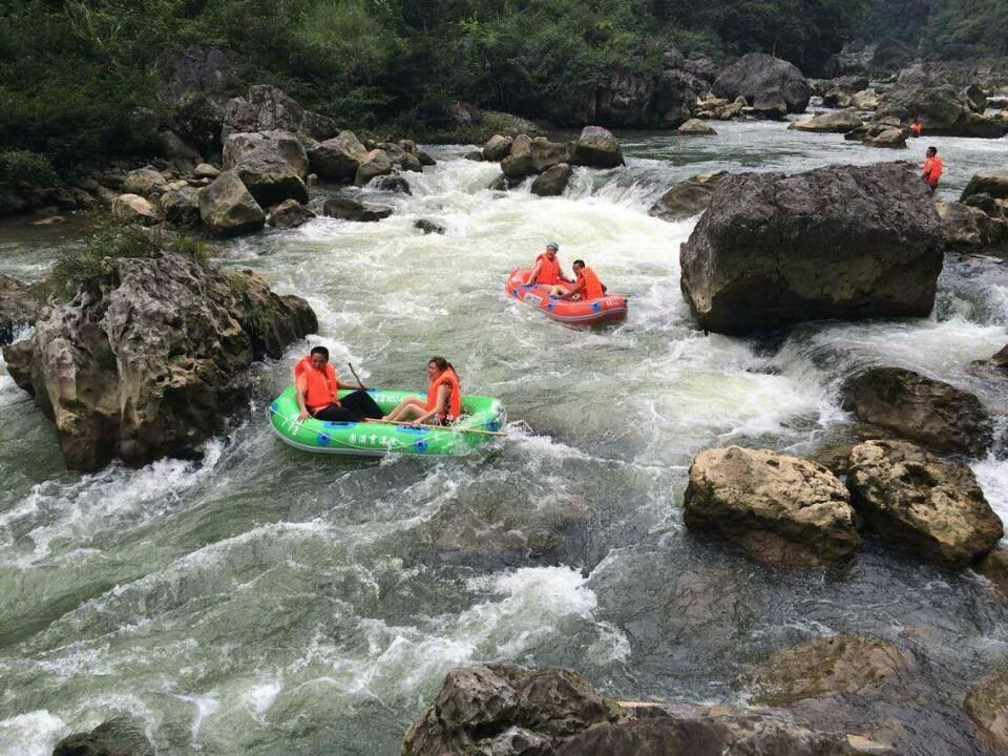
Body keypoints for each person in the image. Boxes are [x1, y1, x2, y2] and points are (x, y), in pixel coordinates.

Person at [295, 346, 384, 423]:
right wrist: (303, 410)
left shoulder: (327, 370)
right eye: (314, 361)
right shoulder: (305, 375)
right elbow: (300, 393)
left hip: (335, 404)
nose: (317, 364)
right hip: (320, 411)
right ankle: (364, 426)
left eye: (321, 362)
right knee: (343, 412)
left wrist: (357, 387)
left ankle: (383, 419)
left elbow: (337, 385)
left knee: (361, 395)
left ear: (326, 361)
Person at [382, 357, 462, 426]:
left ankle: (390, 425)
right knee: (410, 399)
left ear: (441, 370)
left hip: (442, 421)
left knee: (410, 407)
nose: (429, 370)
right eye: (429, 367)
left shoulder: (443, 385)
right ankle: (387, 419)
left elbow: (439, 408)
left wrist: (420, 419)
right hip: (438, 415)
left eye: (433, 369)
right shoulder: (441, 377)